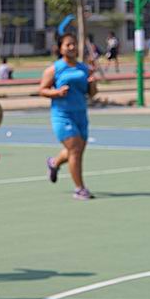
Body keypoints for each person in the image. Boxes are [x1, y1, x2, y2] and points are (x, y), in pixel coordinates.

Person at [40, 33, 97, 200]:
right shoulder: (54, 69)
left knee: (76, 151)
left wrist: (93, 83)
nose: (72, 47)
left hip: (81, 114)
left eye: (74, 44)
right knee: (75, 150)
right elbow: (42, 90)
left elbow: (92, 94)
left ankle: (54, 163)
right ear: (60, 48)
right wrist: (57, 92)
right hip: (62, 115)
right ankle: (80, 189)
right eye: (68, 44)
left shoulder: (83, 68)